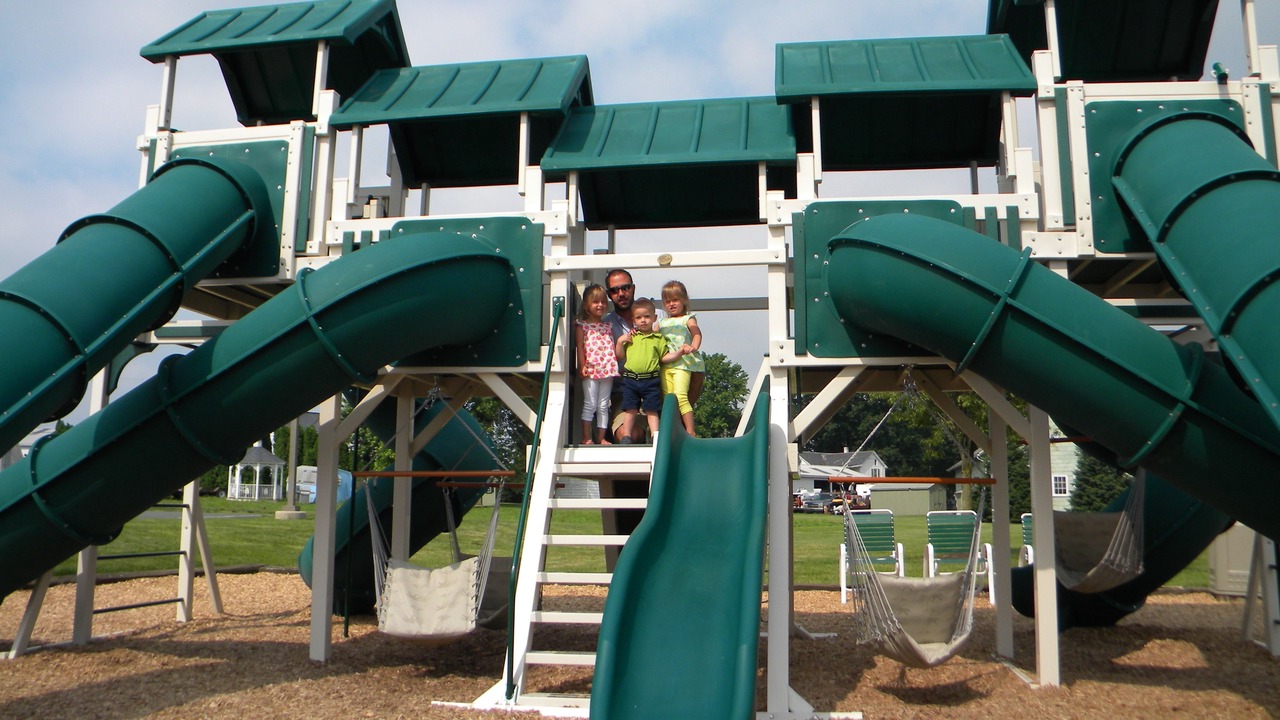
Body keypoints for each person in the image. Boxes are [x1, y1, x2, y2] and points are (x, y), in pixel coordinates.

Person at [614, 298, 680, 444]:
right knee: (630, 409)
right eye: (638, 317)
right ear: (633, 320)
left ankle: (655, 437)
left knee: (652, 410)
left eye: (647, 316)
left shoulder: (658, 339)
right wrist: (620, 342)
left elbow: (664, 357)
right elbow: (620, 356)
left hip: (651, 380)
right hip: (631, 379)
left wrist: (679, 353)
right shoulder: (631, 337)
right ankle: (626, 436)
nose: (643, 320)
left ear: (654, 318)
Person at [658, 280, 703, 436]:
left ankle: (690, 431)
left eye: (675, 300)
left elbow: (696, 333)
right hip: (666, 364)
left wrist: (694, 346)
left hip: (682, 364)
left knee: (680, 396)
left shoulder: (687, 319)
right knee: (668, 399)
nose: (671, 304)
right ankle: (674, 429)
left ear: (684, 300)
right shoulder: (662, 322)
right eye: (667, 301)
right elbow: (651, 335)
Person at [575, 283, 618, 445]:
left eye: (603, 302)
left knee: (602, 405)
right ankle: (586, 437)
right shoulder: (582, 326)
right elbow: (580, 346)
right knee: (590, 403)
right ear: (587, 306)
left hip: (607, 368)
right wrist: (582, 365)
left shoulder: (608, 326)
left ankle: (601, 437)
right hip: (591, 368)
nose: (600, 305)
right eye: (595, 302)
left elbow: (611, 347)